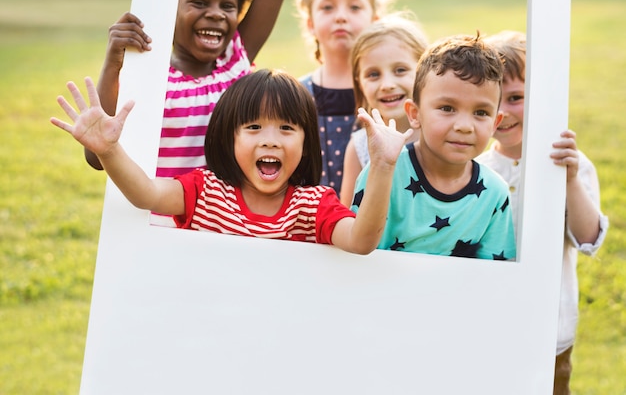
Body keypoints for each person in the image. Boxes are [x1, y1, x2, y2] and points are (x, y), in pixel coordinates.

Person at [86, 0, 311, 224]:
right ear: (169, 7)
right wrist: (112, 63)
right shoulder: (150, 72)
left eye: (228, 4)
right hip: (159, 225)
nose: (216, 14)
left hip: (229, 225)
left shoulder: (235, 59)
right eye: (199, 1)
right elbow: (96, 155)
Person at [52, 69, 414, 254]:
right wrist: (109, 150)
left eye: (286, 128)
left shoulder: (313, 206)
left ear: (306, 143)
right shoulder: (206, 191)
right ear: (230, 137)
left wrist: (382, 166)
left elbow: (363, 240)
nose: (270, 139)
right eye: (254, 127)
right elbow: (146, 193)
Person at [475, 30, 608, 394]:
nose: (503, 112)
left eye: (516, 98)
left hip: (550, 329)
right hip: (488, 327)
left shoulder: (569, 166)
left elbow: (588, 238)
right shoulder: (474, 168)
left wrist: (568, 181)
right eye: (493, 100)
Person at [351, 33, 516, 260]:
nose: (464, 126)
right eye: (447, 108)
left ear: (495, 123)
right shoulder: (384, 172)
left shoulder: (494, 193)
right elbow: (355, 252)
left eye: (481, 113)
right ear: (415, 114)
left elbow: (495, 277)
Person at [294, 0, 394, 190]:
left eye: (354, 7)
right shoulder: (296, 93)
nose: (341, 16)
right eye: (327, 7)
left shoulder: (390, 91)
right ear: (310, 23)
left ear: (375, 20)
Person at [339, 12, 428, 206]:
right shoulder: (360, 146)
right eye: (373, 74)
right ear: (359, 82)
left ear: (424, 72)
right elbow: (347, 216)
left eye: (400, 70)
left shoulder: (437, 135)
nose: (387, 84)